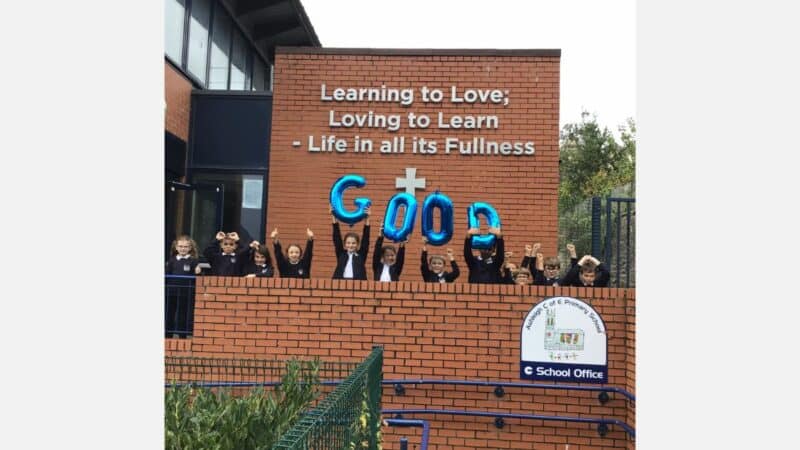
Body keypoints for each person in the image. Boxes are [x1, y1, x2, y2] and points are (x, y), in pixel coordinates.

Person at [165, 235, 200, 338]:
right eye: (180, 246)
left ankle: (182, 336)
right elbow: (167, 274)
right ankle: (167, 334)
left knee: (183, 314)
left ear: (190, 248)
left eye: (185, 247)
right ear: (176, 247)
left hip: (186, 293)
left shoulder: (193, 261)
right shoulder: (172, 260)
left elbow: (197, 277)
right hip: (171, 291)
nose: (182, 249)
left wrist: (198, 272)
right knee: (169, 313)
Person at [331, 206, 371, 280]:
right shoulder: (341, 254)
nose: (350, 245)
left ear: (357, 244)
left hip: (358, 285)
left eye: (353, 243)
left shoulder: (361, 255)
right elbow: (337, 239)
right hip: (340, 284)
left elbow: (366, 239)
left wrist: (367, 219)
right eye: (348, 243)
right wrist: (334, 216)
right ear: (345, 244)